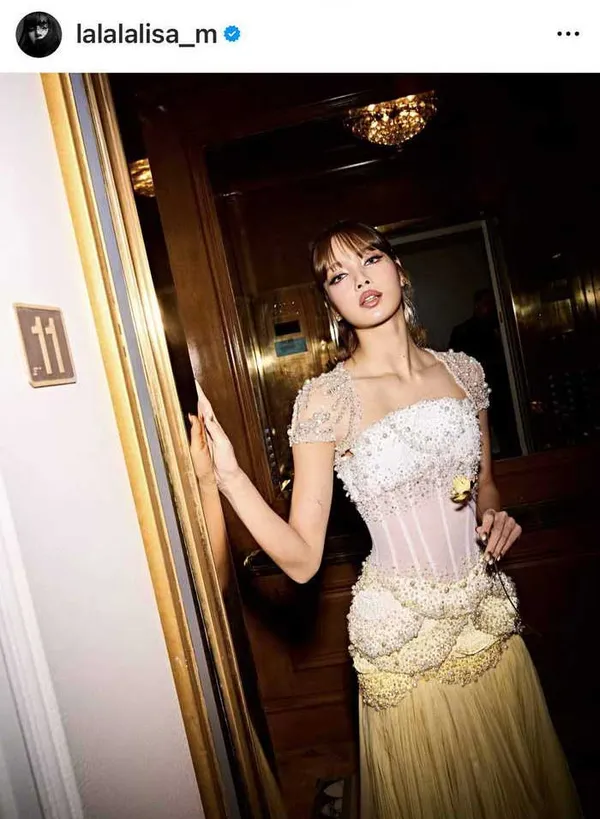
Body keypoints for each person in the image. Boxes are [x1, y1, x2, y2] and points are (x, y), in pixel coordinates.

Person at [189, 221, 580, 818]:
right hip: (403, 636)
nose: (360, 280)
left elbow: (485, 483)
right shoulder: (326, 399)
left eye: (370, 260)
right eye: (338, 276)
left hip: (485, 618)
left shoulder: (464, 373)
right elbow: (302, 560)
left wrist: (494, 514)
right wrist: (229, 477)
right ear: (331, 302)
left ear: (399, 269)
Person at [449, 288, 521, 457]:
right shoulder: (463, 332)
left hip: (502, 389)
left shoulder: (502, 328)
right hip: (477, 390)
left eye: (492, 304)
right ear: (477, 305)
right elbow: (455, 367)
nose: (490, 308)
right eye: (487, 303)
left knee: (507, 432)